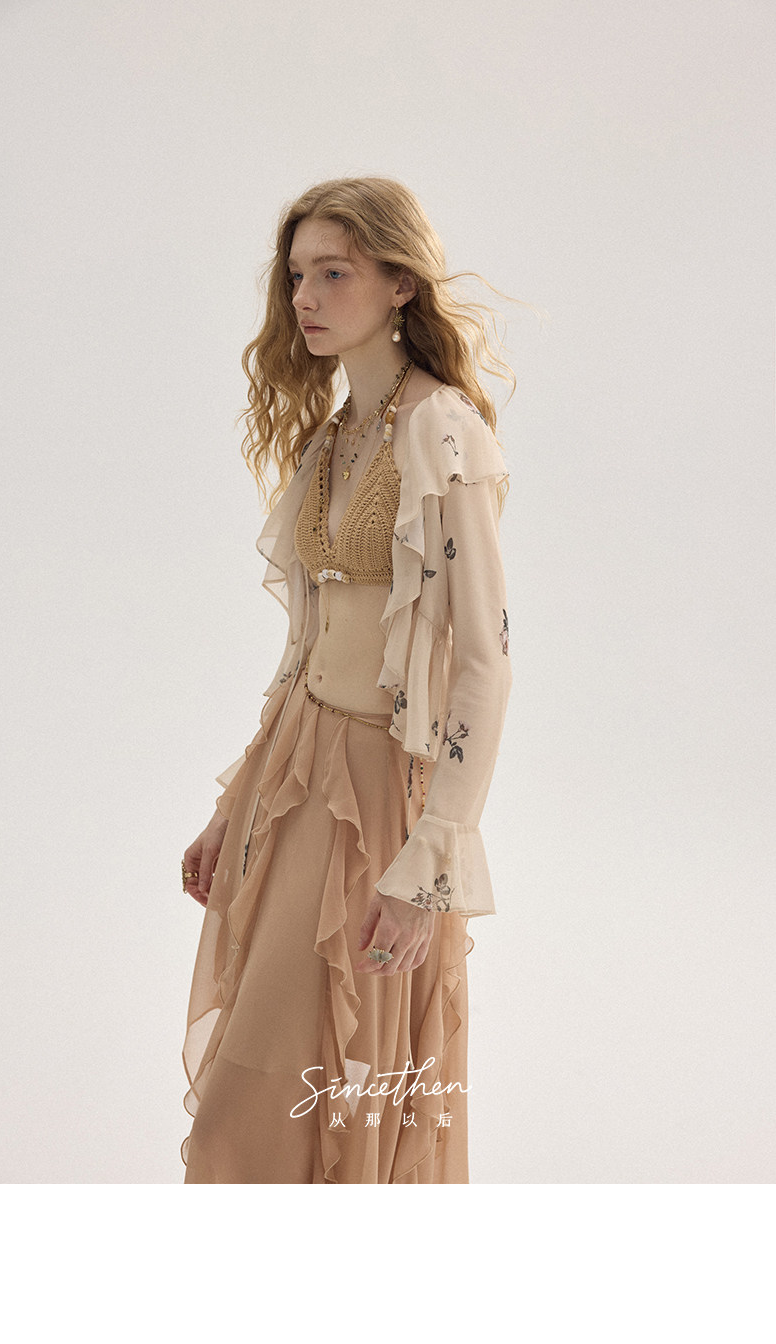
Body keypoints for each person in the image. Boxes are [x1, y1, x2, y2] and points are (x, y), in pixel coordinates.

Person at [180, 176, 514, 1183]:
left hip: (379, 792)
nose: (305, 298)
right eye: (296, 276)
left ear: (401, 284)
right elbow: (305, 646)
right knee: (264, 1079)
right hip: (295, 771)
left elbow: (484, 660)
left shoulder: (441, 429)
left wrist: (432, 865)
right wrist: (232, 806)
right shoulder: (334, 435)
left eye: (334, 273)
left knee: (319, 1078)